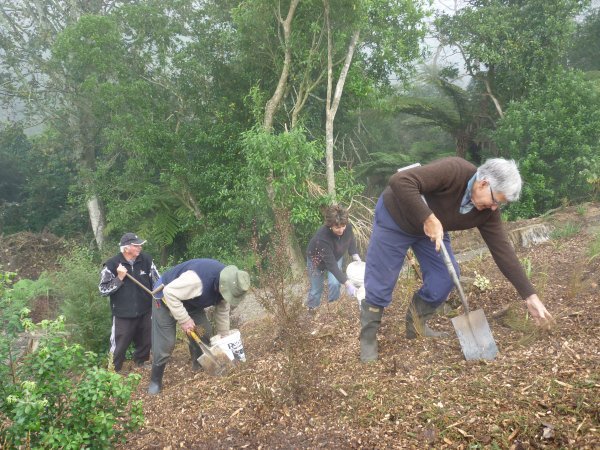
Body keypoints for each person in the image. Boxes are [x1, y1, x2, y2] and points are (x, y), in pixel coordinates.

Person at [360, 157, 554, 362]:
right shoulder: (455, 171)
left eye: (500, 204)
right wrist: (428, 217)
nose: (495, 208)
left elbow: (503, 250)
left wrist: (529, 295)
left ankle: (416, 323)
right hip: (397, 218)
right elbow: (401, 180)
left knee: (445, 276)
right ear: (484, 184)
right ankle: (368, 338)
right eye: (496, 200)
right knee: (381, 280)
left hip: (432, 229)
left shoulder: (487, 213)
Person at [147, 259, 250, 394]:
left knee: (203, 332)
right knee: (167, 343)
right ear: (223, 286)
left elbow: (223, 310)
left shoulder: (229, 284)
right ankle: (155, 380)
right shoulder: (196, 281)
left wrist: (224, 337)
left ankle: (198, 364)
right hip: (165, 296)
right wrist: (184, 320)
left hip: (191, 301)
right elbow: (169, 292)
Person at [99, 232, 159, 372]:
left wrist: (159, 299)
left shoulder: (146, 261)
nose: (140, 247)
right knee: (119, 344)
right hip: (122, 314)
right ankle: (113, 370)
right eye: (136, 245)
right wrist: (119, 278)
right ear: (126, 248)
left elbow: (157, 280)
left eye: (140, 245)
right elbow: (103, 290)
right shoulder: (112, 265)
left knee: (146, 339)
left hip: (145, 310)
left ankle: (141, 362)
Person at [306, 204, 361, 310]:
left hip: (335, 256)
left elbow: (350, 239)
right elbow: (331, 265)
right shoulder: (322, 237)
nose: (341, 230)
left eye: (343, 226)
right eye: (337, 227)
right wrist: (347, 283)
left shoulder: (347, 227)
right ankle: (312, 309)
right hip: (316, 261)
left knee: (335, 283)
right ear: (330, 225)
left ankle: (333, 307)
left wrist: (354, 254)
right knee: (316, 289)